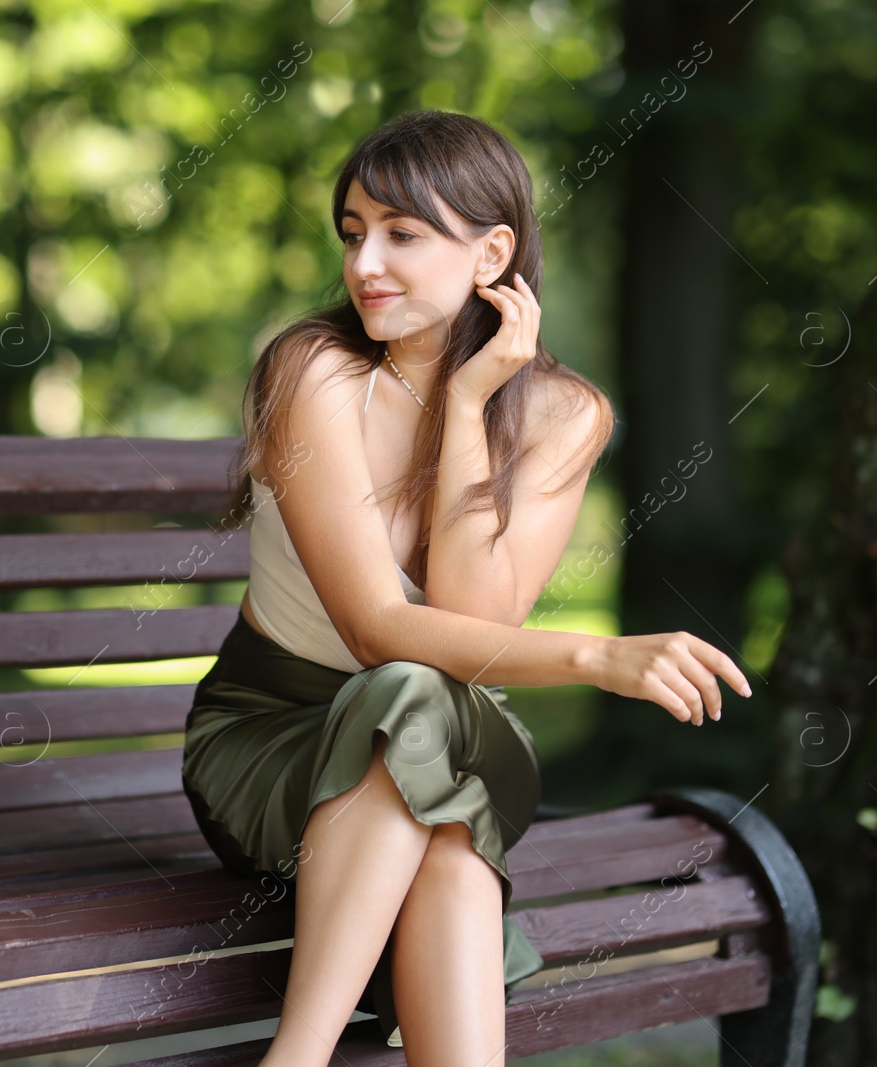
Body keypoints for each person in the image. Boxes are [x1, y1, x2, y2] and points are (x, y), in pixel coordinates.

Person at [179, 109, 753, 1067]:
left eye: (403, 234)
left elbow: (474, 619)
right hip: (269, 743)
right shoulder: (311, 371)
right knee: (442, 809)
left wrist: (468, 405)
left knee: (424, 721)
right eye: (355, 232)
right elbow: (378, 629)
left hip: (448, 729)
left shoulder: (563, 413)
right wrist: (595, 656)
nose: (367, 264)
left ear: (492, 252)